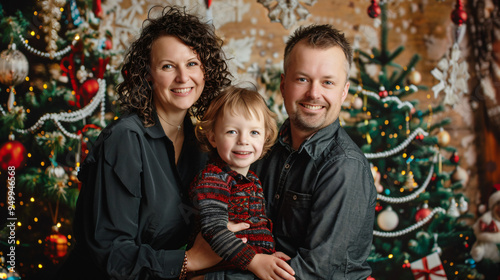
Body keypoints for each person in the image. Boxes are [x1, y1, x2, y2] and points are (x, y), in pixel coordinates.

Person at [57, 6, 238, 279]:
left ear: (205, 71)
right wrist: (190, 260)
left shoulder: (203, 143)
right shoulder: (125, 140)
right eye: (168, 66)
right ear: (148, 76)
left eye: (192, 64)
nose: (183, 77)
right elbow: (112, 254)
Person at [252, 24, 377, 279]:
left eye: (327, 82)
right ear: (284, 85)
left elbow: (316, 272)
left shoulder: (344, 167)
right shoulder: (260, 147)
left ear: (344, 92)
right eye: (302, 79)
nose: (314, 93)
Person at [189, 86, 295, 280]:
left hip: (244, 268)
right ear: (213, 137)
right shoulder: (214, 178)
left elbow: (252, 228)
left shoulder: (253, 180)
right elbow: (214, 230)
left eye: (254, 132)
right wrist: (254, 260)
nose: (243, 140)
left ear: (266, 137)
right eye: (232, 131)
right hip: (221, 273)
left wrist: (267, 255)